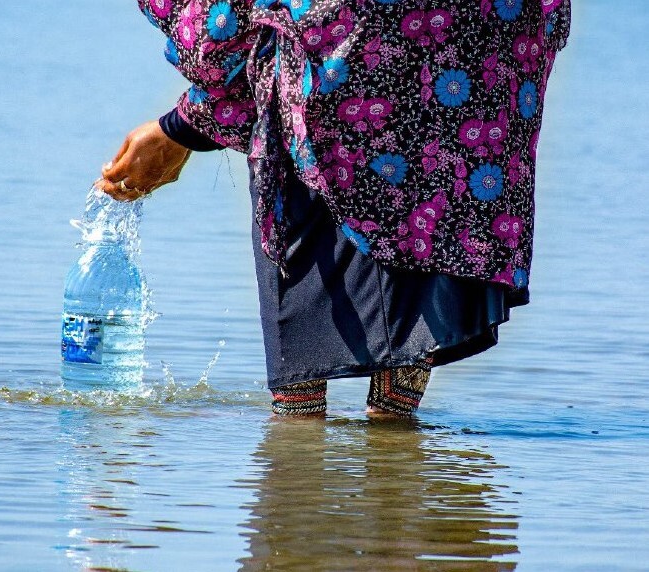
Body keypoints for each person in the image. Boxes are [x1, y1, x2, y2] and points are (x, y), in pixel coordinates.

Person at [96, 0, 572, 417]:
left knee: (298, 411)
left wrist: (182, 128)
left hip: (346, 54)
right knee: (425, 216)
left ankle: (306, 446)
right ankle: (391, 445)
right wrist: (183, 128)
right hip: (476, 47)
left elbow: (231, 30)